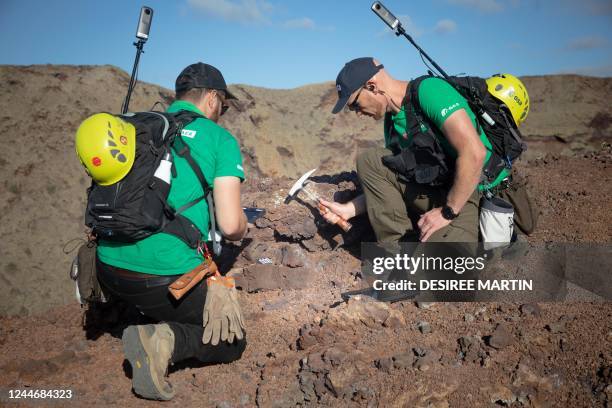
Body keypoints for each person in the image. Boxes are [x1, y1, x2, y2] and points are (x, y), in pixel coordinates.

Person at [93, 62, 248, 400]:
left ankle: (129, 315)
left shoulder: (139, 126)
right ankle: (162, 341)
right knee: (231, 339)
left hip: (105, 268)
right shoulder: (218, 137)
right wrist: (244, 224)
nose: (222, 111)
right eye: (223, 104)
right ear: (211, 98)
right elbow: (231, 226)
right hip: (160, 278)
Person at [320, 57, 530, 246]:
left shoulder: (429, 91)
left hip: (469, 194)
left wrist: (447, 212)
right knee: (372, 161)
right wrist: (349, 209)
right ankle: (399, 252)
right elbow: (391, 180)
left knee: (432, 271)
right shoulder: (392, 123)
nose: (357, 113)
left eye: (355, 104)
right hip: (438, 190)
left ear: (372, 86)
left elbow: (474, 153)